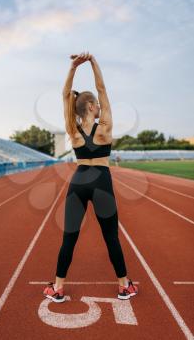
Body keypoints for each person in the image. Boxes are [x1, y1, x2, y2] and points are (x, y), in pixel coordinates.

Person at [43, 52, 138, 303]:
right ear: (92, 106)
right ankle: (123, 287)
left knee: (69, 237)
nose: (100, 105)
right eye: (97, 103)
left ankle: (58, 288)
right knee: (111, 237)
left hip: (79, 181)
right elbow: (102, 87)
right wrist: (94, 62)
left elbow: (65, 95)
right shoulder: (105, 126)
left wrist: (73, 68)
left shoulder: (72, 129)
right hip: (101, 181)